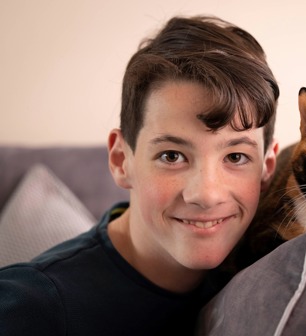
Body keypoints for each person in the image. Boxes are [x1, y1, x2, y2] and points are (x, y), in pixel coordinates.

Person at [0, 15, 280, 335]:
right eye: (172, 156)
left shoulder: (274, 274)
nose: (206, 194)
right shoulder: (27, 309)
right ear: (121, 159)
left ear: (266, 167)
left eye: (235, 157)